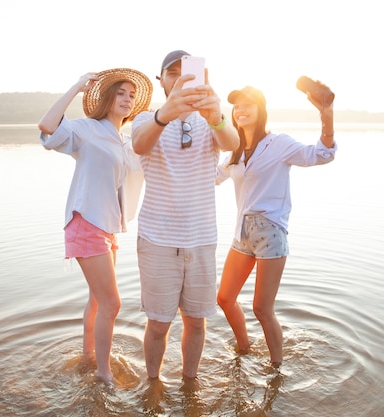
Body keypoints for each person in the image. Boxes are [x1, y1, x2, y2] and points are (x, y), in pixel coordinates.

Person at [131, 50, 240, 385]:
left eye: (188, 72)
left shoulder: (211, 120)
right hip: (157, 241)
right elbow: (138, 144)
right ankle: (153, 383)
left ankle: (190, 383)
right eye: (172, 73)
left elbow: (232, 141)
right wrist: (166, 114)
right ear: (160, 80)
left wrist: (215, 114)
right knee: (159, 323)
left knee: (196, 321)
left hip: (202, 240)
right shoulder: (145, 119)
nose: (180, 78)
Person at [38, 68, 152, 386]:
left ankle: (89, 357)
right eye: (121, 93)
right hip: (86, 223)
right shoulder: (87, 129)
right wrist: (76, 87)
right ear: (107, 98)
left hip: (107, 227)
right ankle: (104, 374)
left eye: (132, 95)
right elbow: (47, 128)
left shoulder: (126, 141)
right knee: (112, 303)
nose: (128, 99)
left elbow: (147, 161)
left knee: (99, 300)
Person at [216, 84, 337, 367]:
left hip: (270, 232)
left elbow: (322, 154)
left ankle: (276, 368)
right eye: (236, 106)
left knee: (262, 308)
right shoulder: (234, 150)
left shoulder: (278, 144)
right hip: (242, 233)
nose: (241, 110)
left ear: (262, 111)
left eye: (248, 104)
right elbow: (211, 176)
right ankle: (244, 348)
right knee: (224, 298)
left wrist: (326, 116)